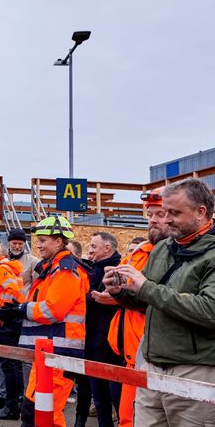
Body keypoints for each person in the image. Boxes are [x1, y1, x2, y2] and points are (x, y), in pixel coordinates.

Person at [104, 178, 215, 425]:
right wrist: (121, 292)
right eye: (165, 212)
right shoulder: (165, 247)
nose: (166, 220)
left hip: (195, 371)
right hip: (153, 367)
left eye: (174, 213)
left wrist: (147, 288)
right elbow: (150, 301)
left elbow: (210, 311)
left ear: (201, 212)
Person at [0, 215, 89, 427]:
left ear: (58, 241)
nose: (38, 245)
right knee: (32, 412)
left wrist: (20, 309)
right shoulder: (52, 268)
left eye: (43, 240)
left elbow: (53, 309)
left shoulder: (66, 270)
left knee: (47, 417)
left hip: (59, 355)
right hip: (47, 354)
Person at [97, 188, 167, 427]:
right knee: (127, 418)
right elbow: (120, 284)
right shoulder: (140, 252)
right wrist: (112, 290)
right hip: (131, 355)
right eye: (150, 215)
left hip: (159, 355)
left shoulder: (175, 253)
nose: (153, 220)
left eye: (161, 213)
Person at [82, 232, 123, 427]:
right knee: (99, 398)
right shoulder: (92, 269)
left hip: (112, 346)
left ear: (107, 248)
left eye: (93, 246)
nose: (89, 250)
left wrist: (88, 297)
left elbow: (103, 298)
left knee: (117, 398)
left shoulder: (118, 270)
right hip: (94, 344)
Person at [0, 241, 25, 420]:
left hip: (7, 324)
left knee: (8, 365)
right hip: (13, 321)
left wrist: (3, 314)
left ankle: (11, 407)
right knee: (13, 364)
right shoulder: (8, 268)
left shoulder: (1, 269)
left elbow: (12, 293)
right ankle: (13, 403)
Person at [7, 228, 40, 395]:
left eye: (20, 243)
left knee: (24, 356)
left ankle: (27, 394)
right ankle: (8, 394)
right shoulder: (3, 261)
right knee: (6, 357)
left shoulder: (33, 261)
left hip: (23, 313)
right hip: (5, 313)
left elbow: (36, 287)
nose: (18, 246)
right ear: (9, 243)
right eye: (15, 243)